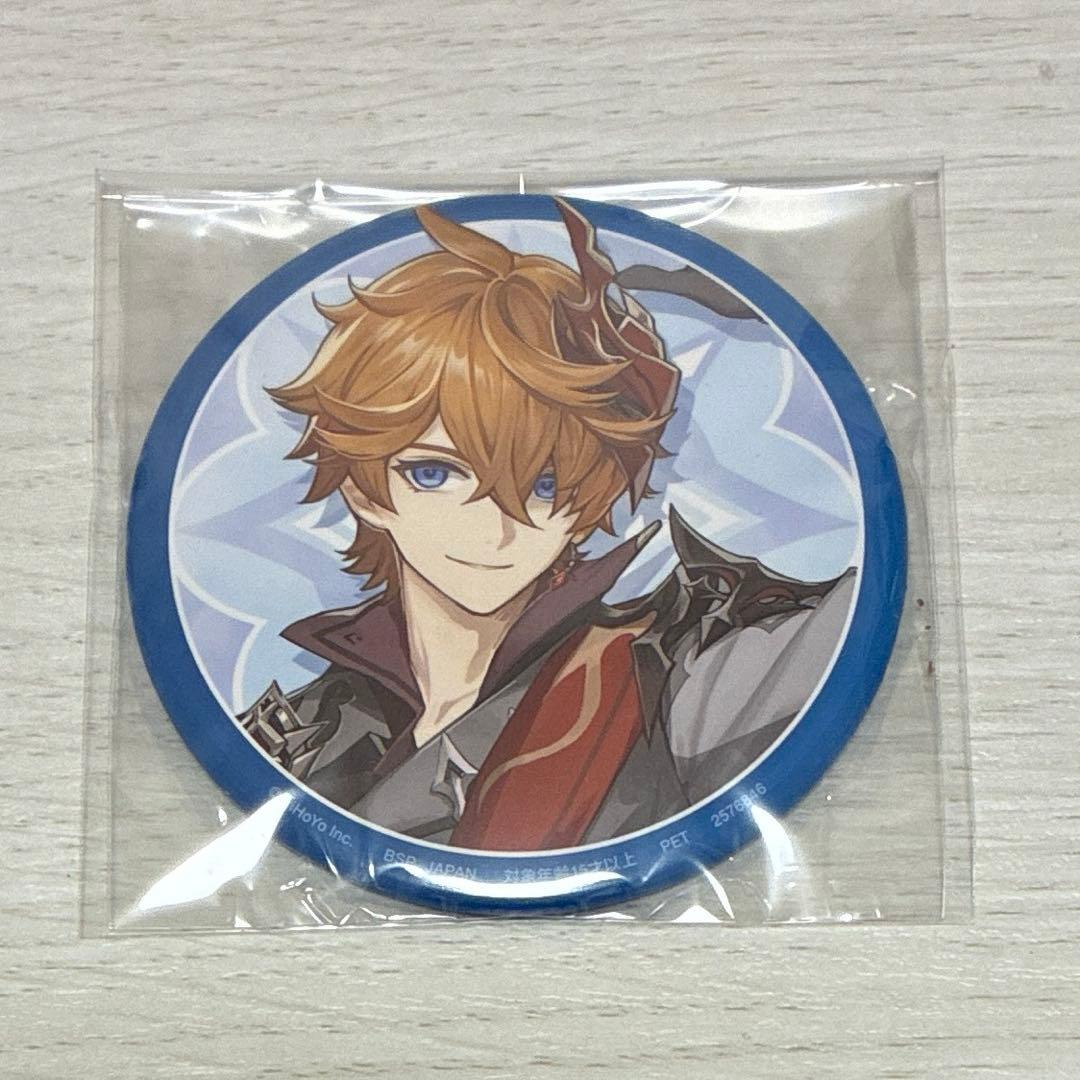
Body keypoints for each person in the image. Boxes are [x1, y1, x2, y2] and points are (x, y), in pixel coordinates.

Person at [239, 199, 855, 851]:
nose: (492, 530)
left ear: (592, 495)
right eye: (434, 473)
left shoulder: (659, 675)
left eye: (543, 485)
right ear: (363, 489)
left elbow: (835, 633)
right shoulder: (310, 727)